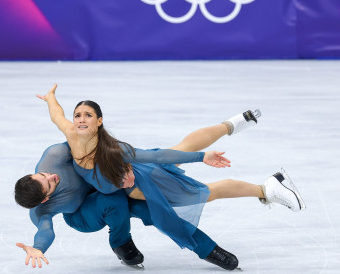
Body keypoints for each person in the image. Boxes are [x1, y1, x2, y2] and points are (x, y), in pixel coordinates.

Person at [16, 85, 305, 270]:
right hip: (93, 207)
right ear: (44, 198)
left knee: (194, 192)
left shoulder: (88, 152)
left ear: (99, 121)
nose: (52, 175)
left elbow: (156, 157)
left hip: (129, 182)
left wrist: (201, 158)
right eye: (49, 182)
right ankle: (232, 125)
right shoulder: (68, 145)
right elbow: (58, 116)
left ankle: (266, 188)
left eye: (87, 115)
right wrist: (38, 248)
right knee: (181, 153)